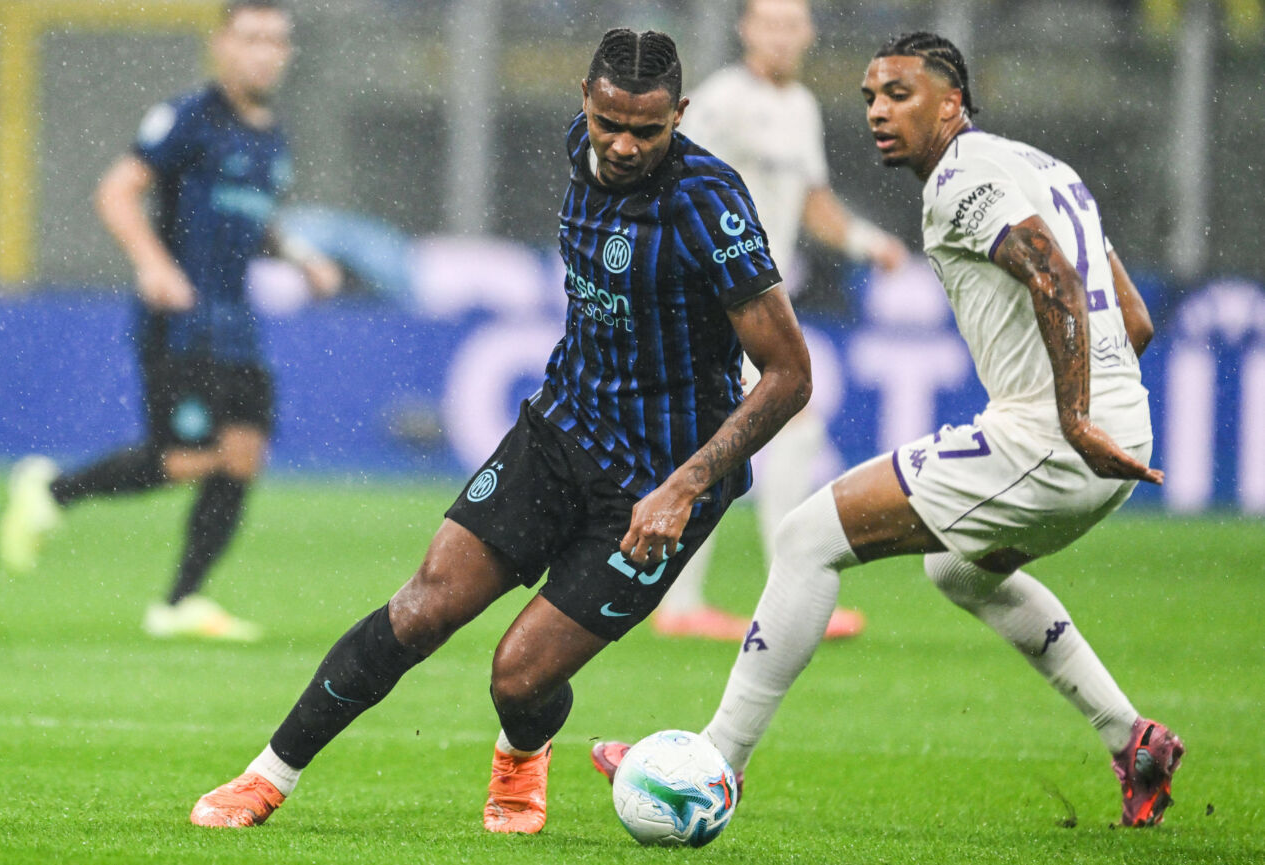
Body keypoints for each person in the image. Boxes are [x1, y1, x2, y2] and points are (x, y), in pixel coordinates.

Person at [187, 28, 812, 835]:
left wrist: (685, 487)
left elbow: (790, 373)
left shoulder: (708, 203)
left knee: (518, 677)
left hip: (658, 483)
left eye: (647, 131)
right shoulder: (577, 147)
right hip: (559, 431)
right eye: (607, 123)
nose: (623, 145)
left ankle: (522, 756)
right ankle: (266, 776)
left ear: (680, 116)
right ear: (583, 102)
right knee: (420, 610)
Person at [593, 31, 1184, 828]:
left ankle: (713, 766)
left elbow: (1051, 274)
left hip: (1054, 436)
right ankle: (1132, 738)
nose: (878, 111)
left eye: (900, 95)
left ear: (953, 102)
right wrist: (1101, 406)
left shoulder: (961, 177)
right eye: (870, 96)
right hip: (1117, 435)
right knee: (960, 572)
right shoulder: (1047, 168)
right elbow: (1133, 317)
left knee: (807, 537)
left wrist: (1070, 416)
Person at [0, 0, 340, 641]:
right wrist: (155, 265)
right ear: (222, 46)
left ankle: (180, 601)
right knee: (186, 456)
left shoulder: (271, 137)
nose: (264, 51)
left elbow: (250, 219)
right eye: (251, 38)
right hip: (179, 322)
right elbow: (116, 191)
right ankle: (52, 490)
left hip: (235, 323)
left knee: (241, 454)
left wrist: (301, 258)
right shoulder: (190, 118)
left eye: (275, 40)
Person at [654, 0, 906, 642]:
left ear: (809, 34)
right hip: (711, 294)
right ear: (747, 30)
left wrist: (863, 241)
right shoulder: (721, 101)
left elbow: (812, 201)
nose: (783, 36)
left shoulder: (801, 108)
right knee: (786, 419)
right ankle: (777, 599)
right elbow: (669, 181)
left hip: (755, 299)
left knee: (732, 434)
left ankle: (686, 604)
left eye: (793, 24)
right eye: (770, 23)